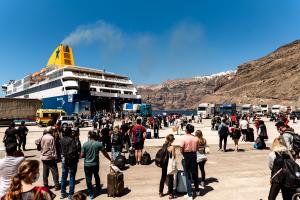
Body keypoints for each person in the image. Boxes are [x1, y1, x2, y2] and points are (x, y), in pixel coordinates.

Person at [81, 131, 111, 199]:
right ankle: (98, 189)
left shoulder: (85, 144)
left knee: (88, 179)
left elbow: (82, 155)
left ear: (89, 136)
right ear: (95, 137)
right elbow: (105, 153)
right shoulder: (98, 144)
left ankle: (91, 194)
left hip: (87, 164)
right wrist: (110, 159)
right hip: (95, 164)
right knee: (96, 176)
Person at [180, 124, 200, 200]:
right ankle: (197, 190)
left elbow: (181, 149)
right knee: (194, 173)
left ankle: (190, 194)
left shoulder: (183, 138)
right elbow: (197, 148)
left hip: (186, 155)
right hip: (194, 155)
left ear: (186, 130)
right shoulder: (196, 138)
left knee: (188, 176)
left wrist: (184, 154)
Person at [60, 127, 80, 199]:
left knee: (63, 177)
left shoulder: (61, 140)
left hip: (64, 160)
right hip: (72, 161)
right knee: (72, 177)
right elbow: (75, 149)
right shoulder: (72, 140)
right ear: (70, 132)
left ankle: (62, 193)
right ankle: (70, 194)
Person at [159, 134, 176, 199]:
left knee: (163, 178)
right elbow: (174, 157)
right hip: (169, 164)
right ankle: (170, 194)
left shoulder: (164, 145)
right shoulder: (172, 147)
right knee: (170, 179)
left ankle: (160, 192)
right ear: (172, 140)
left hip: (163, 164)